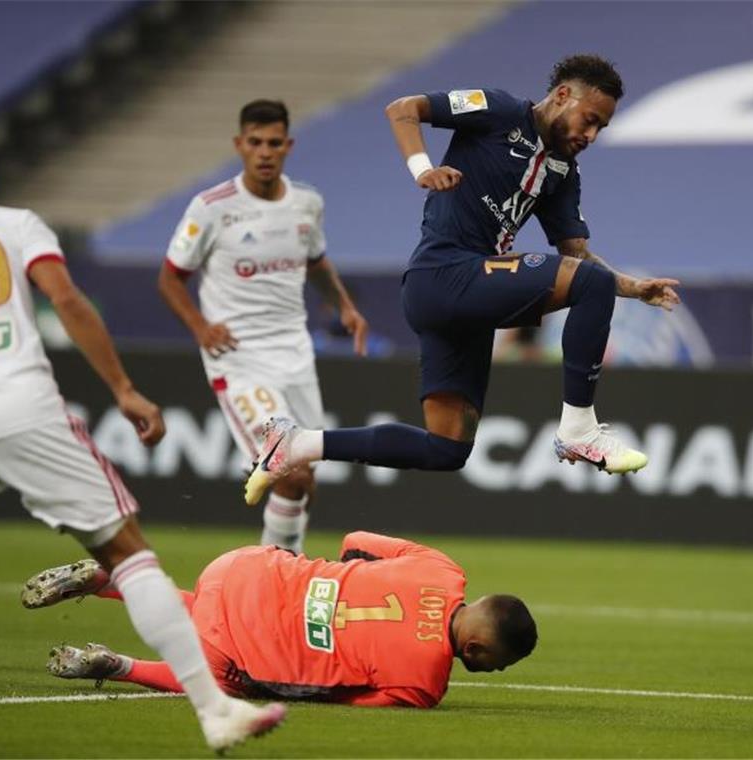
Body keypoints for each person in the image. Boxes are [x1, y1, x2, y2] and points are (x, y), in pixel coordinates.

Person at [0, 141, 285, 751]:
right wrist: (122, 388)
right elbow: (65, 300)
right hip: (19, 402)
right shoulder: (15, 224)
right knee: (127, 554)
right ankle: (214, 711)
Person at [243, 54, 681, 506]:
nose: (591, 135)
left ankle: (296, 445)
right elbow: (403, 109)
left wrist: (634, 288)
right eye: (590, 120)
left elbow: (576, 255)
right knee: (590, 285)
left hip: (461, 301)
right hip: (443, 273)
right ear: (563, 96)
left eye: (600, 129)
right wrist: (423, 170)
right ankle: (579, 429)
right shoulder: (499, 110)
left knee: (447, 447)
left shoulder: (562, 173)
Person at [158, 99, 369, 552]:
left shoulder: (307, 202)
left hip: (294, 354)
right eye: (255, 143)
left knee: (304, 478)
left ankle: (279, 564)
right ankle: (275, 577)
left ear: (288, 146)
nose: (265, 152)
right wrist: (199, 326)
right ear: (240, 145)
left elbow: (316, 262)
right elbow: (170, 277)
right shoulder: (212, 208)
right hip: (239, 358)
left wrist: (345, 307)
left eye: (274, 143)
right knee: (289, 471)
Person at [24, 531, 536, 708]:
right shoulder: (424, 684)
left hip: (244, 567)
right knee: (231, 685)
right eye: (500, 663)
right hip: (234, 649)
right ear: (476, 651)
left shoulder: (441, 568)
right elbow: (341, 697)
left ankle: (110, 582)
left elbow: (354, 542)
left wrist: (338, 588)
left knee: (206, 610)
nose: (497, 672)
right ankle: (117, 665)